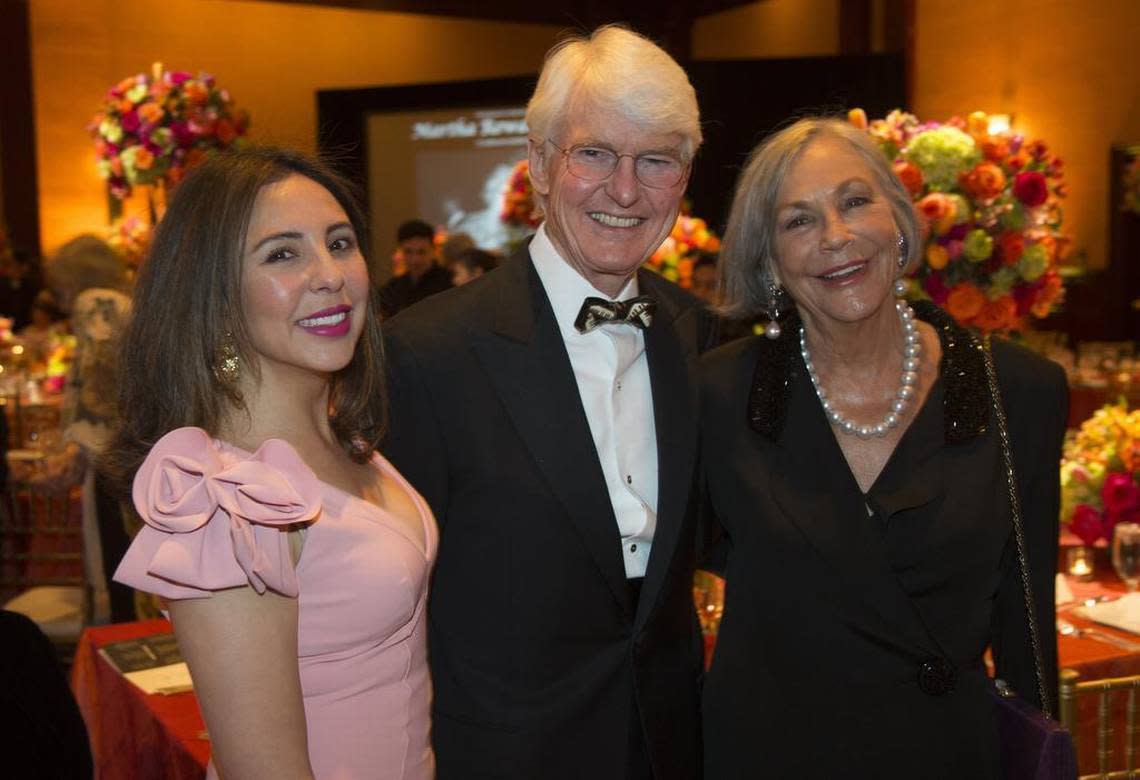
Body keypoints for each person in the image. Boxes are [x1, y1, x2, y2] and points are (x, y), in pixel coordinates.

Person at [382, 24, 715, 780]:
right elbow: (393, 605)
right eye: (594, 153)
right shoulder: (429, 352)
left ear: (684, 177)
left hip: (671, 750)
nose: (625, 191)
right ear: (537, 163)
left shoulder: (700, 337)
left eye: (656, 160)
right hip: (503, 755)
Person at [699, 117, 1065, 778]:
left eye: (855, 201)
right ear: (769, 262)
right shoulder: (716, 395)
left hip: (946, 757)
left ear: (899, 219)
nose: (836, 237)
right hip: (768, 756)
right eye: (798, 221)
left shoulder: (1017, 389)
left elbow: (1029, 627)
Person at [108, 147, 436, 779]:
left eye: (340, 243)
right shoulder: (225, 499)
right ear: (215, 294)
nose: (330, 274)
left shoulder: (345, 434)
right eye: (283, 254)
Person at [377, 218, 453, 318]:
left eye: (421, 252)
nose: (415, 260)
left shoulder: (449, 283)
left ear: (433, 250)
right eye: (408, 252)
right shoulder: (394, 287)